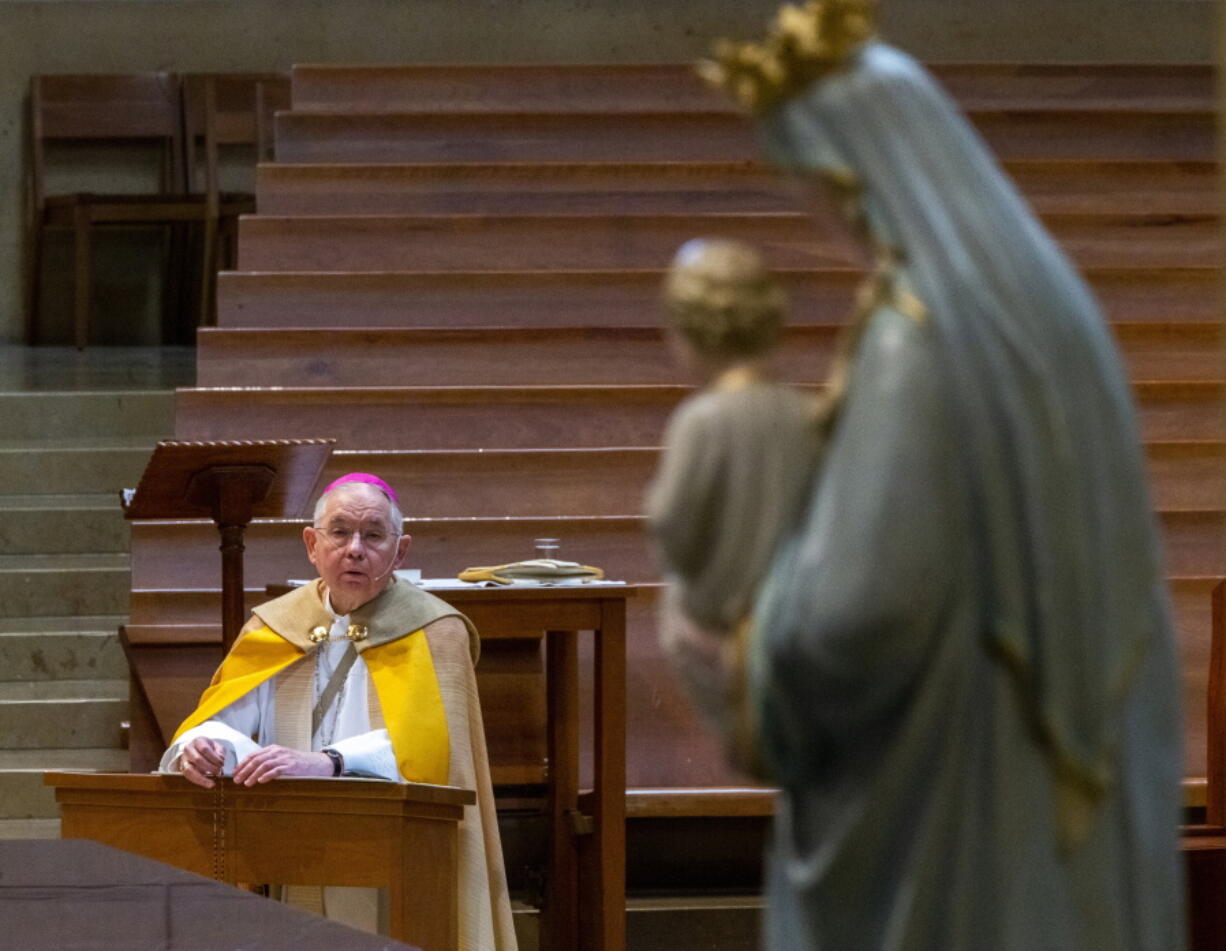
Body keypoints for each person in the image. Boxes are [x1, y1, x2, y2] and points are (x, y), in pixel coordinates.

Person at [669, 2, 1186, 948]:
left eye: (815, 190)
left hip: (957, 779)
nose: (819, 218)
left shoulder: (922, 338)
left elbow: (864, 604)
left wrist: (746, 652)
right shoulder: (1044, 313)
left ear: (861, 178)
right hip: (1046, 745)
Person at [161, 472, 517, 951]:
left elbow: (435, 756)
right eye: (340, 532)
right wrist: (205, 748)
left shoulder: (435, 632)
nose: (355, 548)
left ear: (400, 551)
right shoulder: (276, 625)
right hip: (293, 843)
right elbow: (226, 720)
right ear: (312, 543)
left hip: (394, 847)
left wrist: (330, 762)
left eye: (373, 535)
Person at [646, 237, 822, 751]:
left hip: (726, 641)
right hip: (803, 631)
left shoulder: (703, 420)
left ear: (689, 332)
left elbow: (673, 531)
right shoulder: (809, 415)